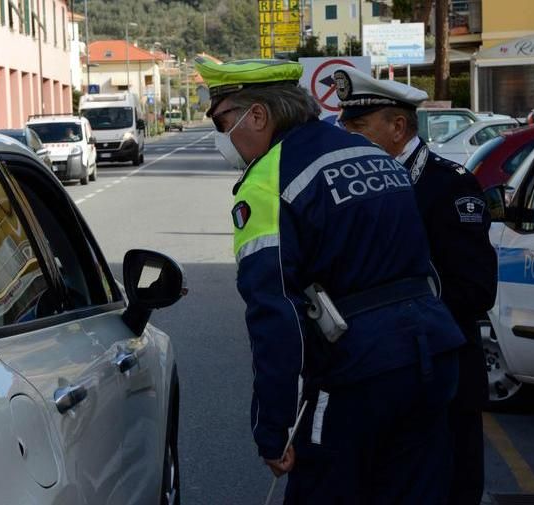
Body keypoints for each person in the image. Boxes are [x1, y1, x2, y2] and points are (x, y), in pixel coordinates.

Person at [195, 56, 466, 504]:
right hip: (434, 358)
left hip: (358, 377)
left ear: (257, 115)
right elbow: (426, 266)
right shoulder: (370, 153)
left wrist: (274, 426)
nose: (222, 137)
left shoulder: (266, 181)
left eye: (224, 121)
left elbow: (276, 313)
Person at [334, 65, 498, 505]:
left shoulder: (448, 186)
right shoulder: (353, 187)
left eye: (359, 126)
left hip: (443, 374)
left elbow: (476, 288)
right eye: (345, 125)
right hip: (379, 375)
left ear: (398, 126)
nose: (347, 136)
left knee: (449, 490)